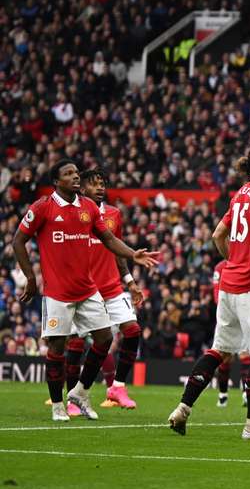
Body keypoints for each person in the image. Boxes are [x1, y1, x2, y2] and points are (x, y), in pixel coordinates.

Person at [13, 159, 158, 422]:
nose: (75, 177)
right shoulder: (43, 207)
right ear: (57, 181)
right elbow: (18, 240)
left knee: (104, 338)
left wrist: (132, 254)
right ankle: (58, 405)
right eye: (68, 174)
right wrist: (30, 277)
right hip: (57, 292)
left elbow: (109, 239)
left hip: (88, 290)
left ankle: (80, 392)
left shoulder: (89, 207)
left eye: (76, 173)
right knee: (57, 347)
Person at [168, 140, 250, 441]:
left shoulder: (241, 194)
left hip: (229, 284)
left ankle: (183, 408)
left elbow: (217, 234)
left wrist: (234, 261)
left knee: (219, 350)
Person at [77, 168, 146, 409]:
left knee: (133, 331)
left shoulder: (114, 214)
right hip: (83, 290)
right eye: (94, 184)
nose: (100, 188)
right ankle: (75, 396)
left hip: (112, 288)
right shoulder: (75, 214)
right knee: (76, 343)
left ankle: (117, 387)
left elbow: (118, 254)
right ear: (82, 188)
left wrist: (130, 283)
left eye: (102, 184)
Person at [211, 259, 250, 408]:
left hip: (244, 314)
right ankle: (223, 395)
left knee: (245, 355)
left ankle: (246, 393)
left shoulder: (245, 262)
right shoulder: (220, 267)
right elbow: (216, 293)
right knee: (224, 356)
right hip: (226, 315)